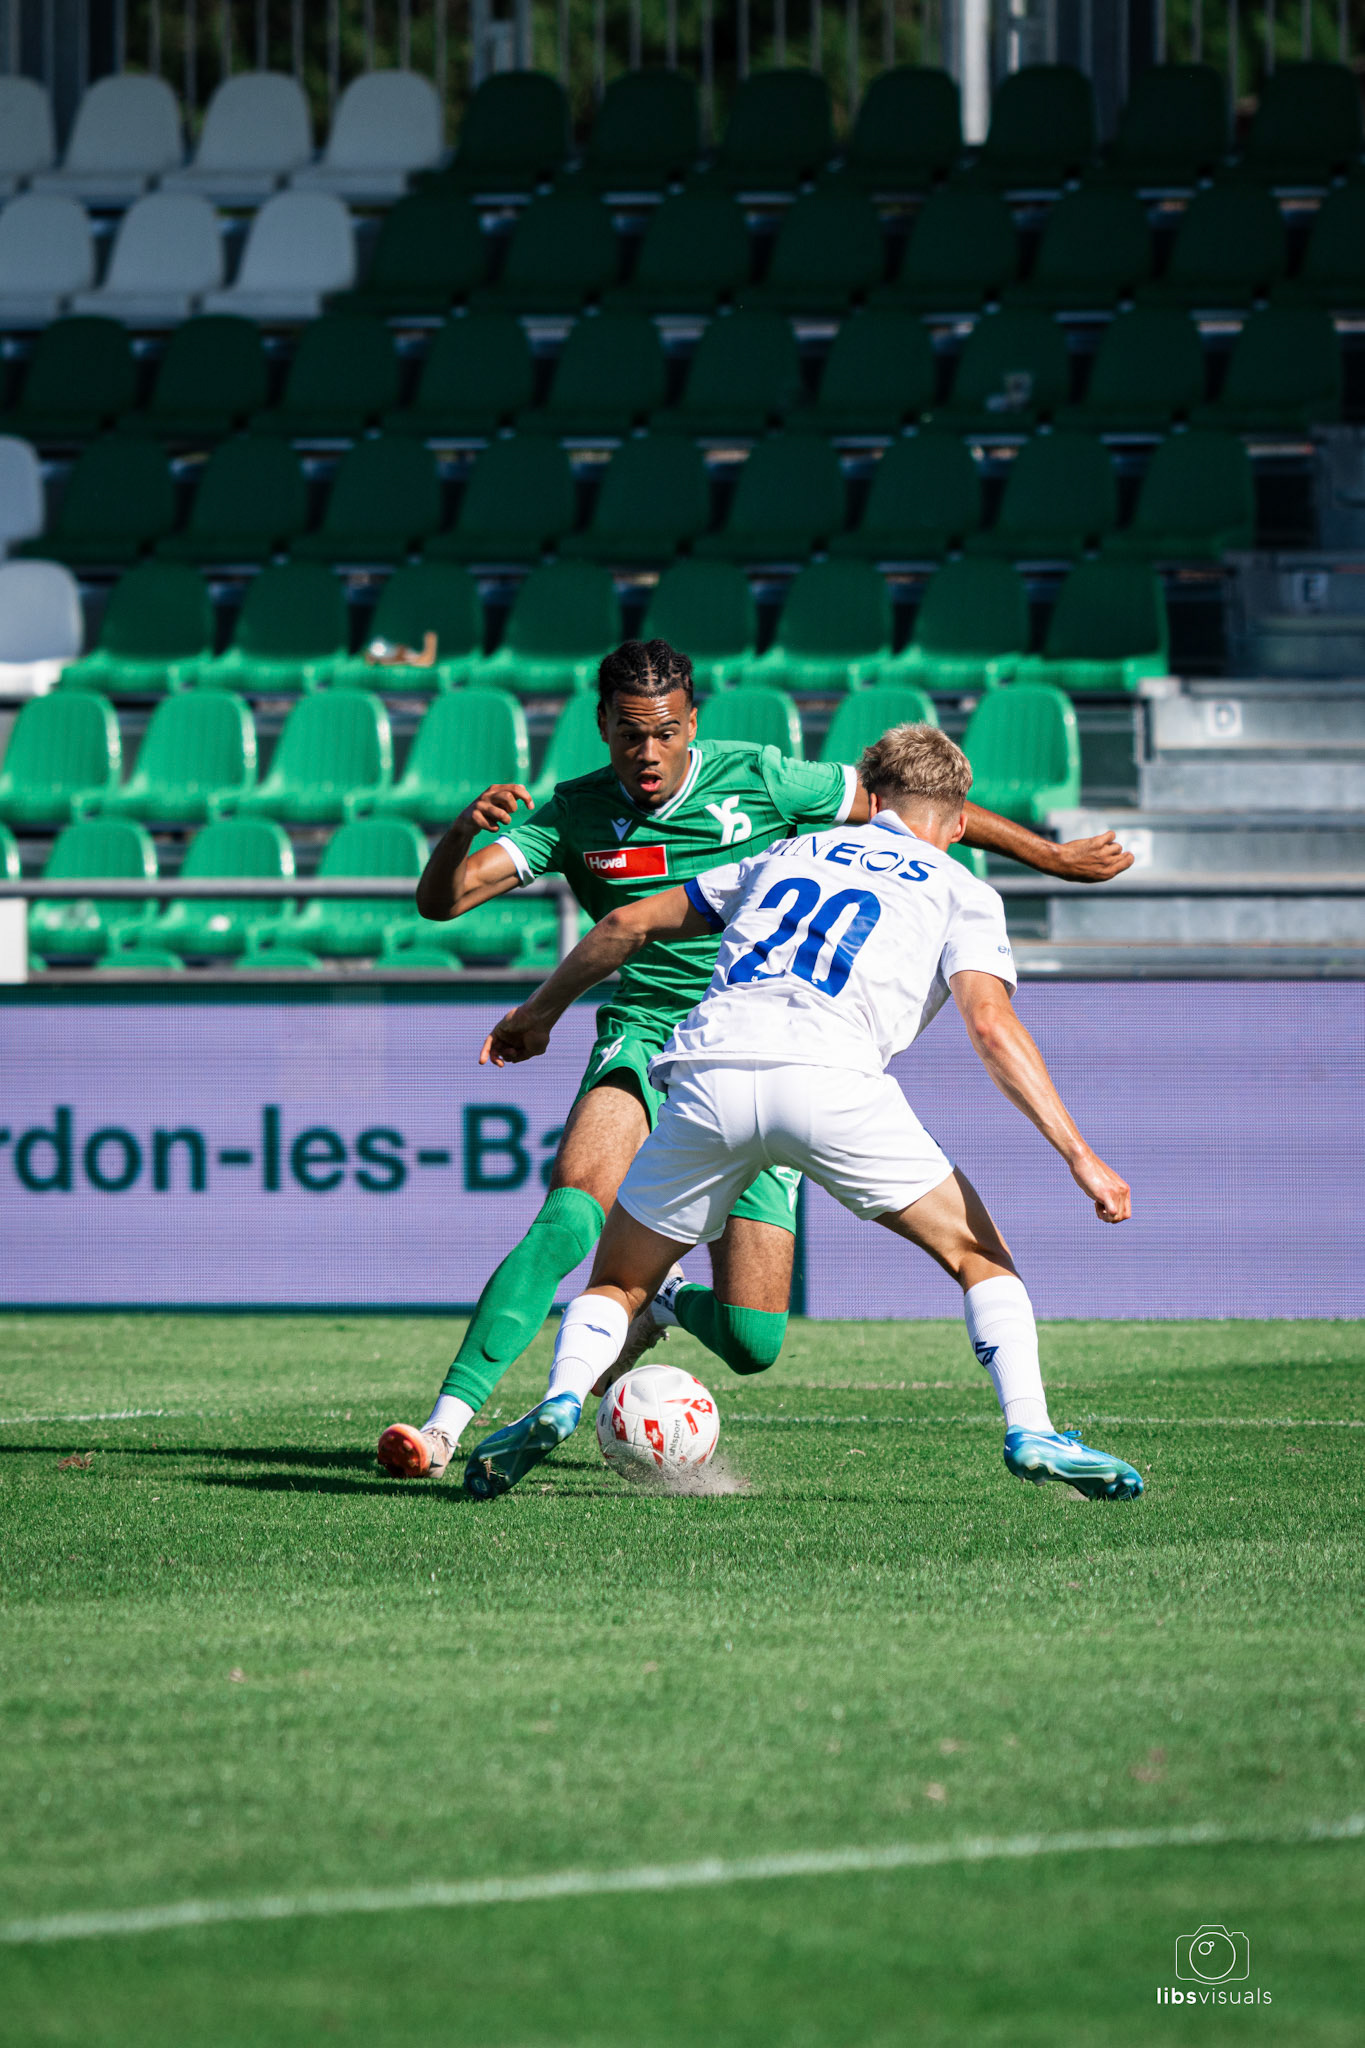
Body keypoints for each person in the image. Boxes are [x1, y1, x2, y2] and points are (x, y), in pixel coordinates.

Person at [376, 642, 1135, 1484]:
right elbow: (447, 902)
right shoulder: (573, 814)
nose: (649, 752)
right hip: (667, 1033)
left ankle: (628, 1330)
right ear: (602, 728)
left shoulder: (771, 799)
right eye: (631, 735)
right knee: (574, 1212)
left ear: (692, 722)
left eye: (665, 732)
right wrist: (460, 842)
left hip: (725, 1051)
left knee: (749, 1338)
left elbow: (917, 806)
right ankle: (446, 1425)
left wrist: (1053, 858)